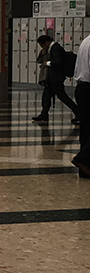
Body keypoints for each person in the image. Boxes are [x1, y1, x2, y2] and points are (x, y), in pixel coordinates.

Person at [32, 35, 80, 122]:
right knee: (46, 96)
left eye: (42, 45)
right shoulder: (51, 49)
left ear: (47, 42)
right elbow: (39, 60)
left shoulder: (56, 48)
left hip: (56, 78)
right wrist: (42, 53)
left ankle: (78, 112)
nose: (42, 47)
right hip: (51, 78)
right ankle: (44, 114)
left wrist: (47, 63)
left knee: (63, 97)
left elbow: (58, 62)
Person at [73, 34, 90, 178]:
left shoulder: (86, 41)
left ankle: (85, 169)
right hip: (89, 88)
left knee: (86, 128)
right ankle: (83, 159)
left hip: (82, 88)